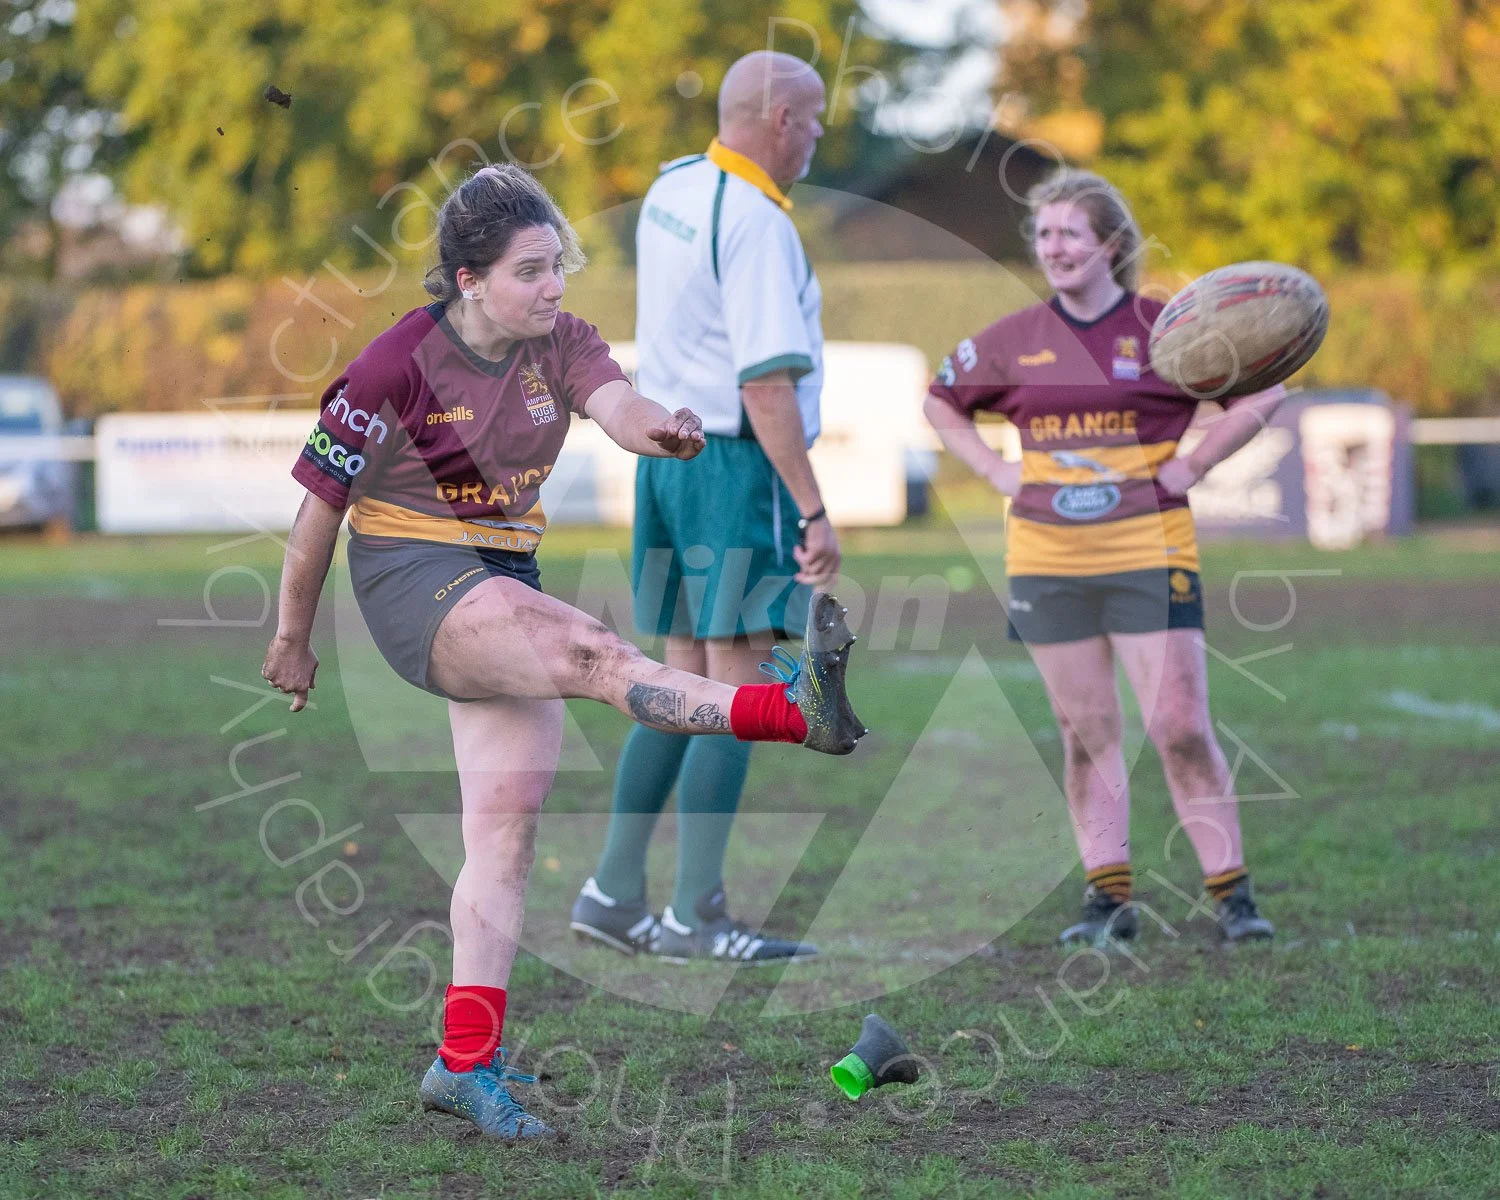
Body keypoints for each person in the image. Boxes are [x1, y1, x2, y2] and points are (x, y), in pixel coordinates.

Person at [260, 164, 866, 1141]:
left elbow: (617, 403)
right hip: (414, 580)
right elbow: (318, 511)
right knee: (594, 654)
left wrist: (663, 431)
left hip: (505, 574)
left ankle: (463, 1064)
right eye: (531, 271)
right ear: (469, 279)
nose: (553, 287)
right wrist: (292, 636)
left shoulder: (562, 340)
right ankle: (794, 712)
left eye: (558, 267)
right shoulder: (392, 367)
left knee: (504, 836)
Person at [924, 168, 1280, 946]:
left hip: (1149, 547)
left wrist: (1195, 463)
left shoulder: (1167, 329)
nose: (1053, 247)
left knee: (1179, 725)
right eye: (1044, 234)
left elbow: (1264, 392)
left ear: (1111, 245)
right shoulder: (1015, 337)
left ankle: (1233, 896)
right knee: (1084, 731)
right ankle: (1107, 901)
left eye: (1070, 234)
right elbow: (940, 401)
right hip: (1047, 556)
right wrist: (995, 472)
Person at [569, 51, 841, 964]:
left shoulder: (673, 185)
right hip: (730, 467)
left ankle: (613, 892)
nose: (817, 137)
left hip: (670, 460)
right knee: (738, 684)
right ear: (780, 121)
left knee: (680, 674)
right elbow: (765, 383)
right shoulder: (757, 219)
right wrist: (813, 509)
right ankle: (698, 916)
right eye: (813, 119)